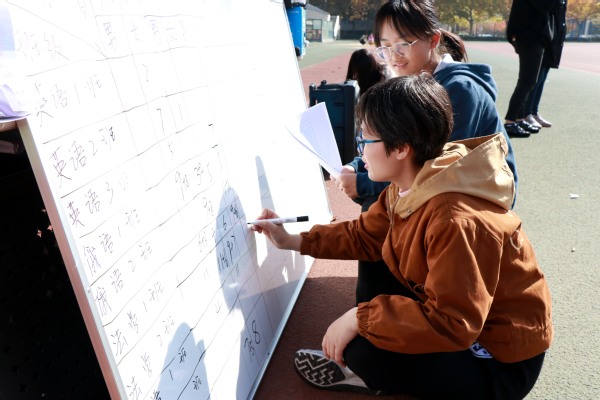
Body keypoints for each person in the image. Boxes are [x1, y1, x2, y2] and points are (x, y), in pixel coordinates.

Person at [251, 74, 553, 399]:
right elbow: (364, 236)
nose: (359, 151)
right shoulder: (413, 183)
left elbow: (453, 322)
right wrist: (291, 240)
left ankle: (378, 374)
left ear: (400, 148)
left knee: (362, 353)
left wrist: (360, 318)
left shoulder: (455, 220)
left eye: (365, 140)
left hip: (499, 359)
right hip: (468, 321)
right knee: (375, 254)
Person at [332, 0, 520, 304]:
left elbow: (434, 169)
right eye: (385, 47)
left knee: (382, 208)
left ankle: (379, 312)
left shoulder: (459, 89)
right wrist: (357, 165)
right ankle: (390, 300)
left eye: (403, 44)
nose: (393, 56)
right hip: (440, 183)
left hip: (474, 196)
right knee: (382, 203)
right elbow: (389, 142)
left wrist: (365, 183)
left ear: (433, 40)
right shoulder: (412, 82)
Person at [503, 0, 558, 137]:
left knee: (529, 81)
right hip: (529, 37)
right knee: (527, 81)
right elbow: (545, 5)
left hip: (531, 36)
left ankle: (519, 119)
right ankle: (510, 122)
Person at [523, 0, 568, 129]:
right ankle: (526, 114)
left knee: (542, 78)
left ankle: (534, 112)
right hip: (542, 39)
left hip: (554, 41)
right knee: (536, 79)